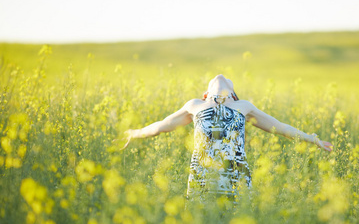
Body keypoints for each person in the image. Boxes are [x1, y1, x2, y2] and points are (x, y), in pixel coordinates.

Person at [119, 74, 333, 201]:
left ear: (232, 95)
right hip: (202, 175)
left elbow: (281, 127)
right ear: (206, 95)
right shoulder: (195, 105)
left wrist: (312, 139)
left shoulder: (243, 106)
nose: (220, 76)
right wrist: (134, 133)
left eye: (230, 85)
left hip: (235, 175)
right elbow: (160, 126)